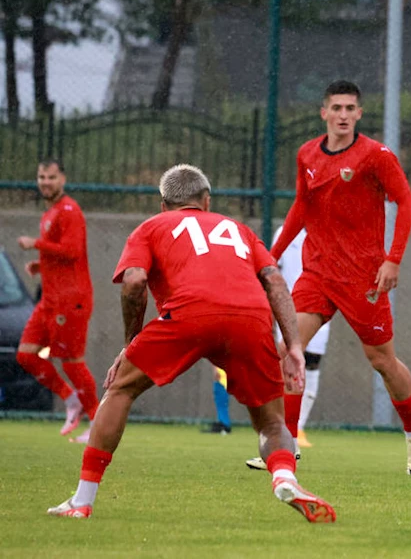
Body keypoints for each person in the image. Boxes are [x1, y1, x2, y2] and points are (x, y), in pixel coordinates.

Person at [46, 164, 335, 522]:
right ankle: (284, 476)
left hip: (189, 313)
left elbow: (134, 281)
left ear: (164, 204)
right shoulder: (238, 229)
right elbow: (274, 281)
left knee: (120, 389)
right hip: (251, 317)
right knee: (271, 421)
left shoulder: (152, 226)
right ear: (206, 200)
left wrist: (130, 344)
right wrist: (293, 346)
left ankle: (82, 500)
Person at [269, 79, 411, 476]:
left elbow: (406, 204)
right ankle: (286, 447)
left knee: (382, 361)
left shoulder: (375, 156)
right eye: (336, 108)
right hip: (317, 272)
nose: (342, 115)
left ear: (359, 114)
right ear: (323, 112)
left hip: (363, 278)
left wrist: (393, 260)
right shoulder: (307, 153)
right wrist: (269, 258)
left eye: (349, 109)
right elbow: (301, 208)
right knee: (290, 350)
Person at [15, 159, 98, 443]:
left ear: (62, 178)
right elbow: (60, 253)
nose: (45, 182)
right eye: (41, 177)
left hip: (70, 300)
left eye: (51, 177)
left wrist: (35, 244)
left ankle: (98, 422)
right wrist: (42, 264)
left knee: (73, 362)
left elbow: (73, 251)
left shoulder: (69, 210)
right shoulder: (50, 212)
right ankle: (70, 398)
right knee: (26, 354)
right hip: (50, 300)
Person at [246, 226, 332, 469]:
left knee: (309, 363)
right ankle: (285, 443)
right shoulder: (285, 232)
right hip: (287, 309)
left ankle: (293, 435)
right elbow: (273, 270)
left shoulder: (328, 230)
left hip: (316, 306)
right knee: (285, 364)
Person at [202, 366, 232, 435]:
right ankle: (223, 422)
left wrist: (216, 370)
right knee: (222, 402)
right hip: (224, 376)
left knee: (221, 401)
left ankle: (224, 424)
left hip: (222, 378)